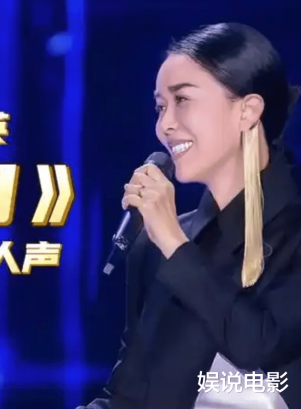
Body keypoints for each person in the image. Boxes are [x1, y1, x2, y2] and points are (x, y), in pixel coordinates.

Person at [80, 23, 301, 409]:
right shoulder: (160, 242)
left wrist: (172, 242)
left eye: (182, 100)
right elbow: (128, 398)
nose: (164, 125)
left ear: (247, 110)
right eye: (160, 107)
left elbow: (262, 346)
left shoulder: (289, 233)